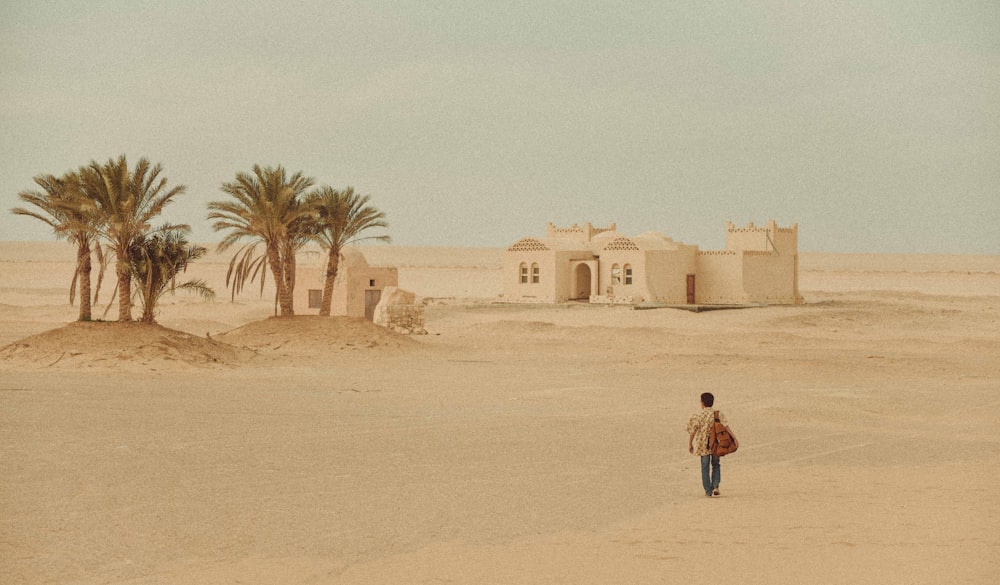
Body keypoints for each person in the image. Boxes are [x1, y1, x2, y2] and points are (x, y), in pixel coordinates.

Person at [686, 392, 729, 497]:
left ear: (702, 403)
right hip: (716, 443)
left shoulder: (698, 415)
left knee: (705, 467)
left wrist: (690, 444)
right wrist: (734, 439)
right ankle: (715, 486)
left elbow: (693, 430)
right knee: (716, 464)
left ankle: (708, 491)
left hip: (702, 445)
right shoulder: (717, 414)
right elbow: (726, 427)